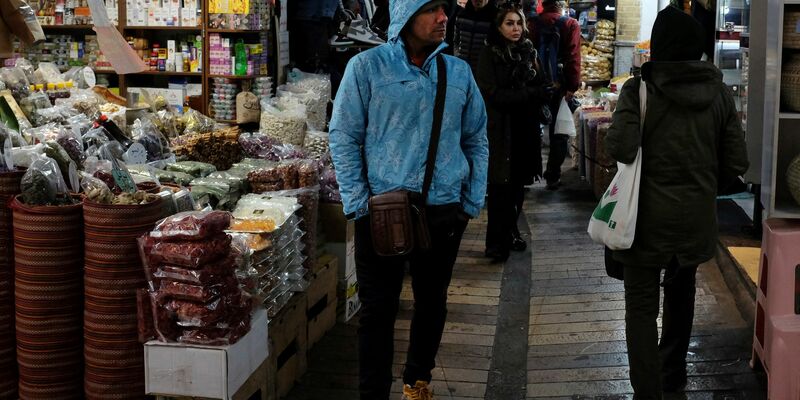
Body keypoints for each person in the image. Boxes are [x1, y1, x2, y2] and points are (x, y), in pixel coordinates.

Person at [328, 0, 489, 398]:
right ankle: (373, 392)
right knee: (377, 311)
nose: (442, 18)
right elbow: (344, 136)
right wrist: (358, 203)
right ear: (405, 16)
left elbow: (476, 138)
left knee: (432, 304)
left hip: (443, 211)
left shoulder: (459, 72)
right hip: (381, 212)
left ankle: (418, 382)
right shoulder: (366, 68)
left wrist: (471, 202)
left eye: (444, 9)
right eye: (431, 9)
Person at [604, 6, 748, 399]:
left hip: (643, 222)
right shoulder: (718, 92)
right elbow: (737, 161)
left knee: (640, 305)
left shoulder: (639, 90)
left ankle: (647, 391)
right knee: (681, 295)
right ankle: (674, 375)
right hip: (694, 220)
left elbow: (620, 146)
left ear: (661, 46)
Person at [475, 2, 552, 262]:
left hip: (524, 129)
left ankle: (510, 232)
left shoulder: (529, 52)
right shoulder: (490, 54)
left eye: (519, 23)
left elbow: (543, 84)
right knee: (500, 189)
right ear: (499, 27)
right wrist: (528, 94)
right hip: (501, 131)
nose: (516, 28)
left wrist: (538, 92)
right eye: (509, 23)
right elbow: (492, 94)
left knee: (518, 186)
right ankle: (495, 244)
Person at [528, 0, 580, 190]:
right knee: (558, 132)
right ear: (561, 4)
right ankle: (552, 176)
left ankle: (528, 172)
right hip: (559, 85)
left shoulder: (532, 23)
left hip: (534, 85)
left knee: (531, 127)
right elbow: (573, 57)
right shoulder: (570, 24)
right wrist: (572, 86)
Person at [452, 0, 498, 71]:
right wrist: (458, 56)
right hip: (462, 67)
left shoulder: (495, 18)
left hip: (483, 70)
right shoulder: (462, 15)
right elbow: (456, 41)